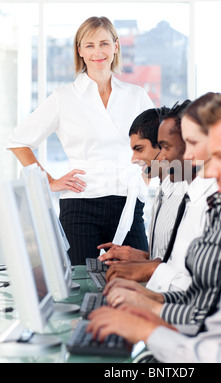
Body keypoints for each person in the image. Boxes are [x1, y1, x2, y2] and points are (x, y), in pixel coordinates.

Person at [87, 90, 221, 363]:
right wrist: (157, 321)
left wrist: (150, 330)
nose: (208, 172)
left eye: (220, 157)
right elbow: (218, 327)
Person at [6, 16, 154, 265]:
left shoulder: (136, 96)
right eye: (90, 45)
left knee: (140, 279)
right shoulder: (64, 98)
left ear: (116, 46)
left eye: (104, 43)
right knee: (81, 282)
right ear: (80, 51)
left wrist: (146, 179)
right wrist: (49, 181)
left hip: (128, 204)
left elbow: (158, 146)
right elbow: (18, 141)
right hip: (81, 205)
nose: (98, 51)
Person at [101, 94, 221, 337]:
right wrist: (149, 293)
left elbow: (208, 308)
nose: (185, 156)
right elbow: (198, 295)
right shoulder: (191, 195)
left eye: (190, 144)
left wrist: (150, 294)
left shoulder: (215, 204)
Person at [99, 101, 191, 282]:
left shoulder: (185, 195)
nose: (134, 159)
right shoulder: (163, 190)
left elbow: (187, 270)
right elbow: (170, 256)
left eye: (139, 149)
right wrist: (142, 257)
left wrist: (146, 266)